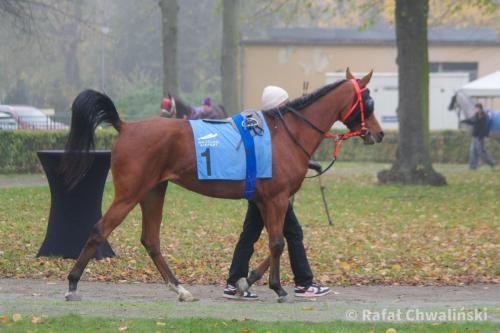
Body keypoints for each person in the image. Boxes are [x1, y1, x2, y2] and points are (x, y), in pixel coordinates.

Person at [223, 85, 331, 300]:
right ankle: (304, 284)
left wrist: (307, 163)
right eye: (286, 103)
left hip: (261, 191)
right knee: (293, 233)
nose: (289, 106)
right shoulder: (273, 128)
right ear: (279, 106)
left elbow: (283, 158)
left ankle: (234, 282)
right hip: (272, 193)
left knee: (250, 235)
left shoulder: (267, 127)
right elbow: (278, 160)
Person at [460, 103, 496, 170]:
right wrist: (463, 121)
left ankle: (492, 162)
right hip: (474, 136)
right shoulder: (475, 116)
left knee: (481, 152)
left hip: (480, 137)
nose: (475, 110)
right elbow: (471, 121)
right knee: (472, 151)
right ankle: (472, 167)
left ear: (480, 109)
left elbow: (484, 128)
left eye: (476, 108)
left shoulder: (484, 116)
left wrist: (480, 136)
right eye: (475, 108)